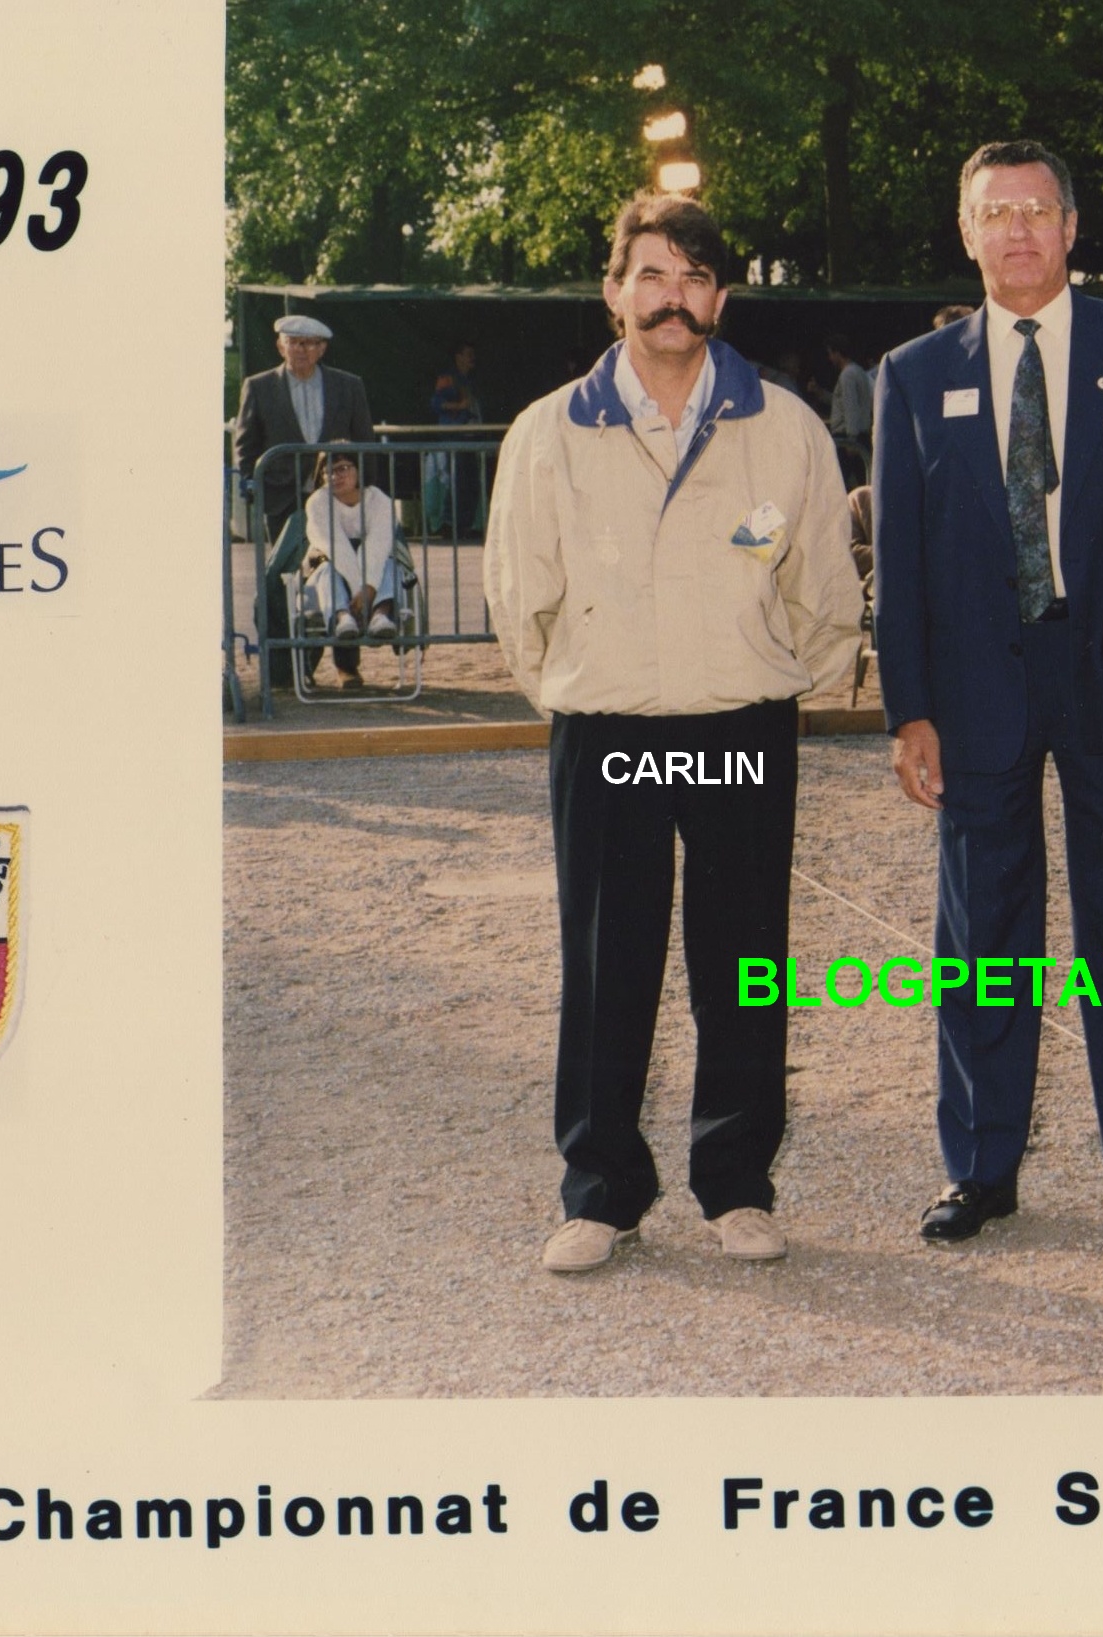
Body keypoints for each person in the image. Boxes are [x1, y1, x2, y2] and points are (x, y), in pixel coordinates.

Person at [481, 192, 864, 1273]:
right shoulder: (549, 432)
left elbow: (824, 586)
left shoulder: (782, 426)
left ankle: (737, 1183)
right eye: (651, 276)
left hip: (741, 721)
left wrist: (768, 669)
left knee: (743, 960)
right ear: (614, 294)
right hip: (607, 729)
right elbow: (522, 599)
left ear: (721, 298)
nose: (672, 300)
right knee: (607, 965)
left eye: (694, 280)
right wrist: (580, 682)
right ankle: (600, 1190)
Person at [871, 138, 1103, 1243]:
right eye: (995, 212)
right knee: (982, 932)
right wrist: (907, 707)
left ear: (1072, 228)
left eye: (1037, 209)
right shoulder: (912, 376)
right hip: (975, 686)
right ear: (967, 233)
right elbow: (903, 557)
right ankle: (979, 1167)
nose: (1018, 230)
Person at [235, 314, 375, 498]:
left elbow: (365, 440)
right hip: (279, 497)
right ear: (280, 347)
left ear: (322, 349)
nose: (301, 350)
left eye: (309, 343)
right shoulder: (258, 386)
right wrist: (253, 488)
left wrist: (364, 488)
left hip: (337, 495)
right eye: (293, 342)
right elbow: (246, 445)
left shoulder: (349, 385)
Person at [298, 452, 404, 685]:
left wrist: (368, 588)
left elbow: (378, 544)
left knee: (390, 564)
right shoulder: (317, 501)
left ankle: (380, 616)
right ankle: (342, 617)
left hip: (371, 579)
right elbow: (334, 545)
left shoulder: (379, 500)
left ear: (359, 469)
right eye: (328, 472)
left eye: (343, 468)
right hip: (331, 566)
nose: (336, 476)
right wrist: (360, 589)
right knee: (327, 571)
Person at [426, 341, 486, 537]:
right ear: (458, 356)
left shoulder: (470, 380)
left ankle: (465, 524)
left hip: (470, 437)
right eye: (468, 354)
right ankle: (448, 523)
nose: (472, 359)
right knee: (456, 481)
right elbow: (436, 404)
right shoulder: (447, 378)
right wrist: (459, 406)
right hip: (455, 436)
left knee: (470, 482)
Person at [826, 334, 875, 485]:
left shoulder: (848, 375)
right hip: (859, 435)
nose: (830, 358)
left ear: (837, 353)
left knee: (845, 484)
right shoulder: (859, 371)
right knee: (863, 481)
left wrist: (852, 440)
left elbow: (850, 406)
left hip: (849, 438)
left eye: (830, 354)